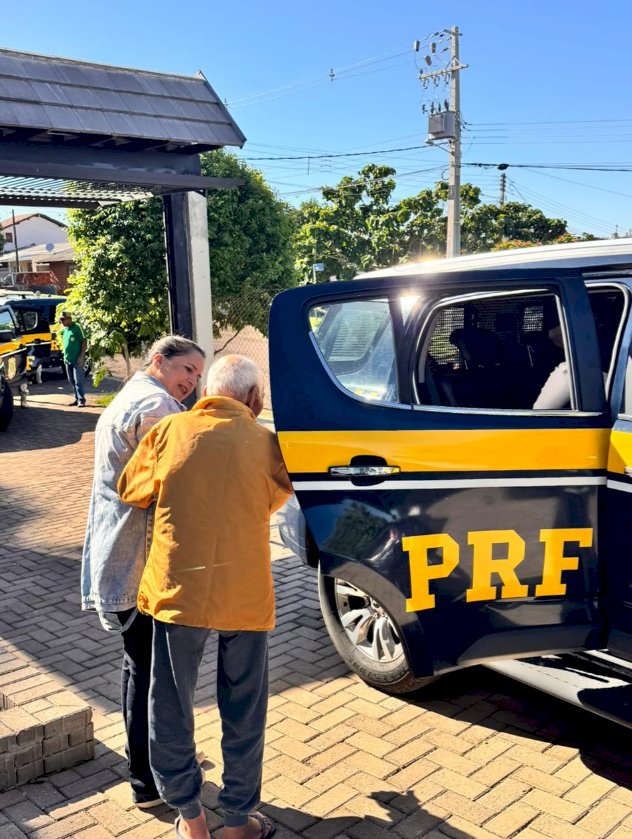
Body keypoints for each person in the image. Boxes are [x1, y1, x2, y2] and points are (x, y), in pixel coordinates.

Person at [118, 355, 292, 839]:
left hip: (179, 592)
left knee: (170, 706)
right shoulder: (268, 443)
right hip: (245, 594)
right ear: (255, 399)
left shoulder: (169, 431)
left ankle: (191, 819)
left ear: (207, 392)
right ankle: (237, 822)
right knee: (244, 710)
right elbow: (274, 499)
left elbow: (131, 490)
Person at [81, 335, 206, 809]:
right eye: (187, 369)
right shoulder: (157, 408)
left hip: (122, 559)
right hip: (142, 564)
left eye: (198, 374)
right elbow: (175, 488)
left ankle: (150, 769)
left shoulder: (129, 398)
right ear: (159, 361)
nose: (192, 381)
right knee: (154, 676)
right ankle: (151, 781)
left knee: (140, 668)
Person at [58, 310, 88, 406]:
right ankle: (77, 398)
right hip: (68, 360)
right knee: (71, 380)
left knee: (78, 380)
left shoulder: (77, 327)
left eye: (63, 320)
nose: (61, 322)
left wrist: (81, 356)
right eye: (61, 320)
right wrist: (64, 357)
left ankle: (81, 400)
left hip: (77, 360)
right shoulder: (65, 329)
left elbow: (84, 341)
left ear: (69, 319)